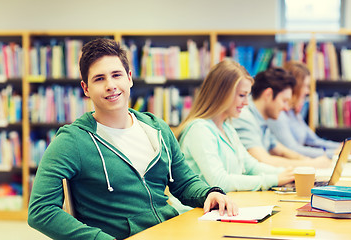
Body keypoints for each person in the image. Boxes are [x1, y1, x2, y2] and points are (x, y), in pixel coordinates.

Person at [27, 38, 238, 240]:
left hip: (172, 230)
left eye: (116, 75)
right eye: (99, 79)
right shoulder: (71, 141)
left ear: (129, 78)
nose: (110, 85)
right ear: (86, 89)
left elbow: (183, 182)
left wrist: (209, 193)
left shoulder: (157, 128)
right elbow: (40, 210)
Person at [173, 60, 295, 193]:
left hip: (222, 207)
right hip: (194, 212)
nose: (246, 103)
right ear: (222, 94)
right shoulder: (199, 130)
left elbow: (251, 166)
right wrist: (275, 179)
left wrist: (288, 174)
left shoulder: (227, 127)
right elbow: (220, 182)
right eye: (242, 95)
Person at [231, 67, 331, 168]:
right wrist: (310, 164)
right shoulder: (244, 116)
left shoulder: (262, 119)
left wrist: (307, 160)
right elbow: (262, 160)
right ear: (268, 94)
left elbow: (280, 150)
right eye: (284, 101)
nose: (286, 108)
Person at [267, 61, 341, 158]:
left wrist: (342, 147)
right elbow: (293, 149)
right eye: (305, 86)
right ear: (295, 87)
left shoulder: (294, 113)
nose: (308, 91)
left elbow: (314, 141)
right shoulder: (278, 114)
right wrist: (334, 153)